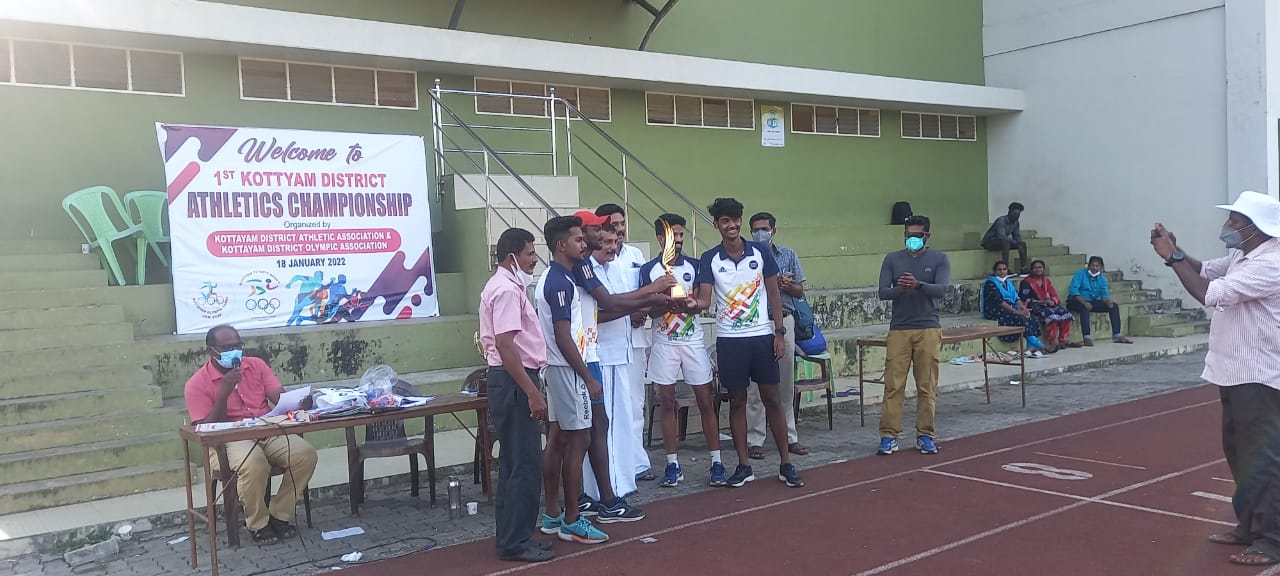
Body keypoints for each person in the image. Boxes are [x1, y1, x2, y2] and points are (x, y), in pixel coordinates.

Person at [1150, 190, 1280, 567]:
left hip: (1259, 374)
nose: (1228, 225)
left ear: (1256, 227)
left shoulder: (1270, 264)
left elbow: (1207, 293)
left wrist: (1172, 258)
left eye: (1235, 220)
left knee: (1262, 459)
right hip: (1236, 370)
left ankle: (1271, 540)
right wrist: (1175, 250)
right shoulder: (1244, 254)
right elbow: (1205, 270)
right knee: (1239, 453)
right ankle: (1249, 526)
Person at [552, 211, 669, 532]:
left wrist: (650, 300)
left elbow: (606, 305)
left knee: (592, 428)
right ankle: (591, 503)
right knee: (581, 433)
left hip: (590, 353)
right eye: (593, 230)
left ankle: (591, 498)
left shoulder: (581, 265)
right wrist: (652, 294)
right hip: (580, 358)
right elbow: (608, 304)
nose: (600, 235)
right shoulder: (568, 271)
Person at [692, 197, 804, 488]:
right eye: (725, 221)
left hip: (762, 337)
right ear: (716, 225)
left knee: (772, 400)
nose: (731, 225)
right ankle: (744, 466)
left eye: (735, 220)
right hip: (730, 341)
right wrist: (687, 304)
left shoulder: (760, 252)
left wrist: (779, 332)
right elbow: (704, 299)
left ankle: (786, 463)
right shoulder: (710, 258)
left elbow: (774, 293)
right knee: (738, 401)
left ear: (740, 221)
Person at [184, 325, 318, 545]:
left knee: (306, 455)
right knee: (254, 463)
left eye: (238, 346)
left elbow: (279, 398)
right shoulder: (196, 383)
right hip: (227, 440)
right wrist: (223, 393)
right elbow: (205, 430)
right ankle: (258, 523)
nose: (234, 352)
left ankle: (279, 514)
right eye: (227, 348)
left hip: (265, 428)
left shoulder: (255, 365)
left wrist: (299, 402)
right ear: (211, 351)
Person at [534, 215, 610, 545]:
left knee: (558, 438)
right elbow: (563, 336)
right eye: (578, 239)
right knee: (580, 439)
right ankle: (573, 518)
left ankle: (553, 513)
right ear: (561, 245)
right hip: (567, 369)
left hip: (555, 368)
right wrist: (587, 377)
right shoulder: (560, 282)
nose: (584, 244)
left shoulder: (552, 277)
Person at [479, 228, 553, 563]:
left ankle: (513, 536)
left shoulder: (505, 286)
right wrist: (532, 392)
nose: (534, 259)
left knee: (514, 463)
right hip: (514, 380)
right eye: (530, 253)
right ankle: (515, 541)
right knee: (524, 464)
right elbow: (506, 346)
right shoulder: (507, 290)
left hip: (510, 379)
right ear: (513, 257)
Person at [639, 213, 727, 488]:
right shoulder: (649, 270)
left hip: (692, 341)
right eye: (671, 235)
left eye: (680, 235)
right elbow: (646, 309)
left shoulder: (695, 265)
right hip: (664, 343)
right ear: (659, 238)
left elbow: (702, 302)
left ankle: (716, 462)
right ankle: (672, 464)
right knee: (666, 402)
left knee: (705, 400)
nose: (677, 240)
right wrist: (664, 301)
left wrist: (690, 304)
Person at [876, 215, 951, 456]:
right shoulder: (892, 259)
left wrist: (918, 285)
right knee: (893, 385)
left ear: (927, 236)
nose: (912, 239)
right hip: (899, 328)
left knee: (926, 385)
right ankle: (889, 435)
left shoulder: (940, 259)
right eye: (908, 235)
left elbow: (941, 289)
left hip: (928, 327)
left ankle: (925, 435)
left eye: (917, 236)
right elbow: (883, 292)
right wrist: (902, 289)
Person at [595, 203, 655, 483]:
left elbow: (644, 290)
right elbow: (605, 302)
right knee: (612, 407)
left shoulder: (635, 254)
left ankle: (637, 461)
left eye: (621, 224)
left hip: (636, 339)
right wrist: (628, 312)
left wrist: (643, 311)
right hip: (607, 341)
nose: (619, 229)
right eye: (613, 225)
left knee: (635, 402)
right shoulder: (595, 261)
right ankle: (614, 464)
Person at [746, 212, 809, 458]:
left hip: (784, 320)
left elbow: (800, 290)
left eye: (765, 228)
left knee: (785, 383)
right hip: (757, 324)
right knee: (755, 387)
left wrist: (786, 285)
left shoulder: (788, 255)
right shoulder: (747, 257)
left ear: (774, 230)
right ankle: (755, 439)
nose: (761, 233)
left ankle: (790, 436)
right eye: (756, 229)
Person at [1066, 256, 1134, 346]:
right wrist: (1084, 302)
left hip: (1091, 301)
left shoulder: (1102, 279)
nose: (1094, 268)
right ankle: (1087, 337)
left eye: (1097, 266)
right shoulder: (1080, 274)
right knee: (1084, 308)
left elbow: (1104, 294)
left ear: (1101, 267)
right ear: (1089, 266)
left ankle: (1117, 335)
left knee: (1114, 306)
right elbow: (1073, 290)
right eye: (1092, 265)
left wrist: (1108, 302)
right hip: (1075, 301)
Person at [980, 261, 1044, 353]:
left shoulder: (1008, 282)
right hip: (995, 310)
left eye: (1004, 269)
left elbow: (1016, 298)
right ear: (995, 271)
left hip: (1010, 308)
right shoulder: (990, 283)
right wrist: (1017, 312)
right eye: (999, 270)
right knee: (1020, 318)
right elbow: (1000, 301)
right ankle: (1039, 344)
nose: (1002, 271)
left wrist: (1024, 309)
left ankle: (1030, 347)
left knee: (1030, 316)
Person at [1019, 260, 1078, 353]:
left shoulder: (1046, 281)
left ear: (1043, 269)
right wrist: (1040, 302)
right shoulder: (1026, 282)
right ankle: (1052, 341)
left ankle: (1063, 339)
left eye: (1040, 267)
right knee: (1051, 316)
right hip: (1034, 306)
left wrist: (1053, 301)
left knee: (1065, 314)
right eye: (1035, 268)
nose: (1038, 269)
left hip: (1048, 304)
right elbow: (1023, 298)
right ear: (1031, 270)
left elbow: (1054, 294)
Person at [982, 202, 1030, 275]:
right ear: (1009, 212)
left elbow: (1017, 236)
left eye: (1018, 214)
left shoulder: (1016, 223)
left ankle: (1023, 268)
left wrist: (1019, 244)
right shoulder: (1001, 220)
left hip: (1002, 242)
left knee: (1022, 244)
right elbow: (1001, 236)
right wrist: (1015, 243)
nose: (1016, 216)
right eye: (1015, 213)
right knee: (1005, 242)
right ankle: (1005, 268)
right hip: (989, 242)